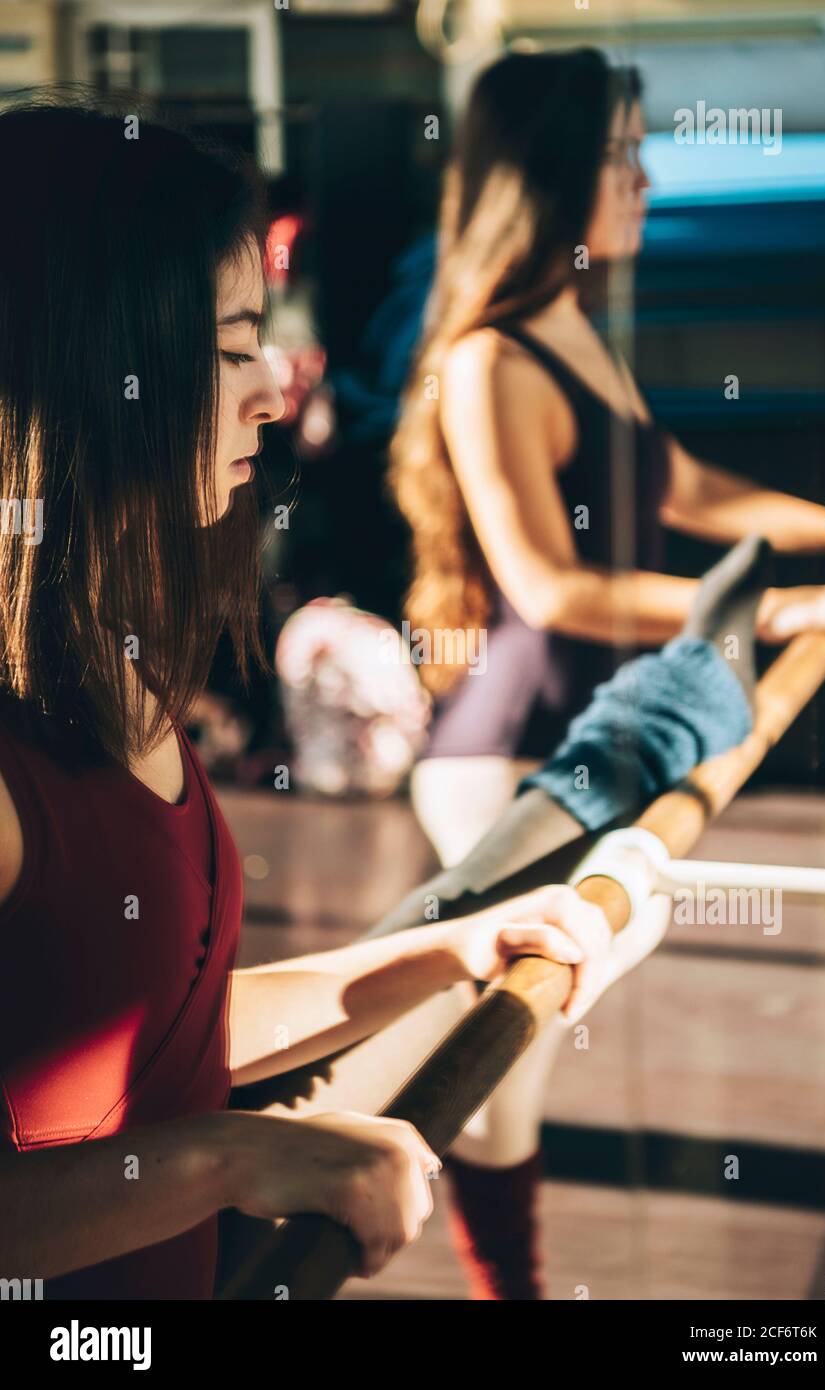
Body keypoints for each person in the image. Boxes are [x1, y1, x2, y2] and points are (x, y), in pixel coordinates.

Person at [0, 95, 635, 1300]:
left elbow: (168, 1044)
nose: (273, 395)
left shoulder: (116, 678)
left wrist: (444, 953)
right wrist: (227, 1158)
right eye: (233, 347)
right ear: (98, 361)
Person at [388, 47, 825, 1298]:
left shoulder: (572, 336)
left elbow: (683, 483)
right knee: (499, 1081)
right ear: (552, 177)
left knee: (516, 1072)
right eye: (621, 154)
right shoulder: (494, 360)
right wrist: (764, 615)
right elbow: (547, 584)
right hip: (514, 764)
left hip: (587, 749)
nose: (646, 177)